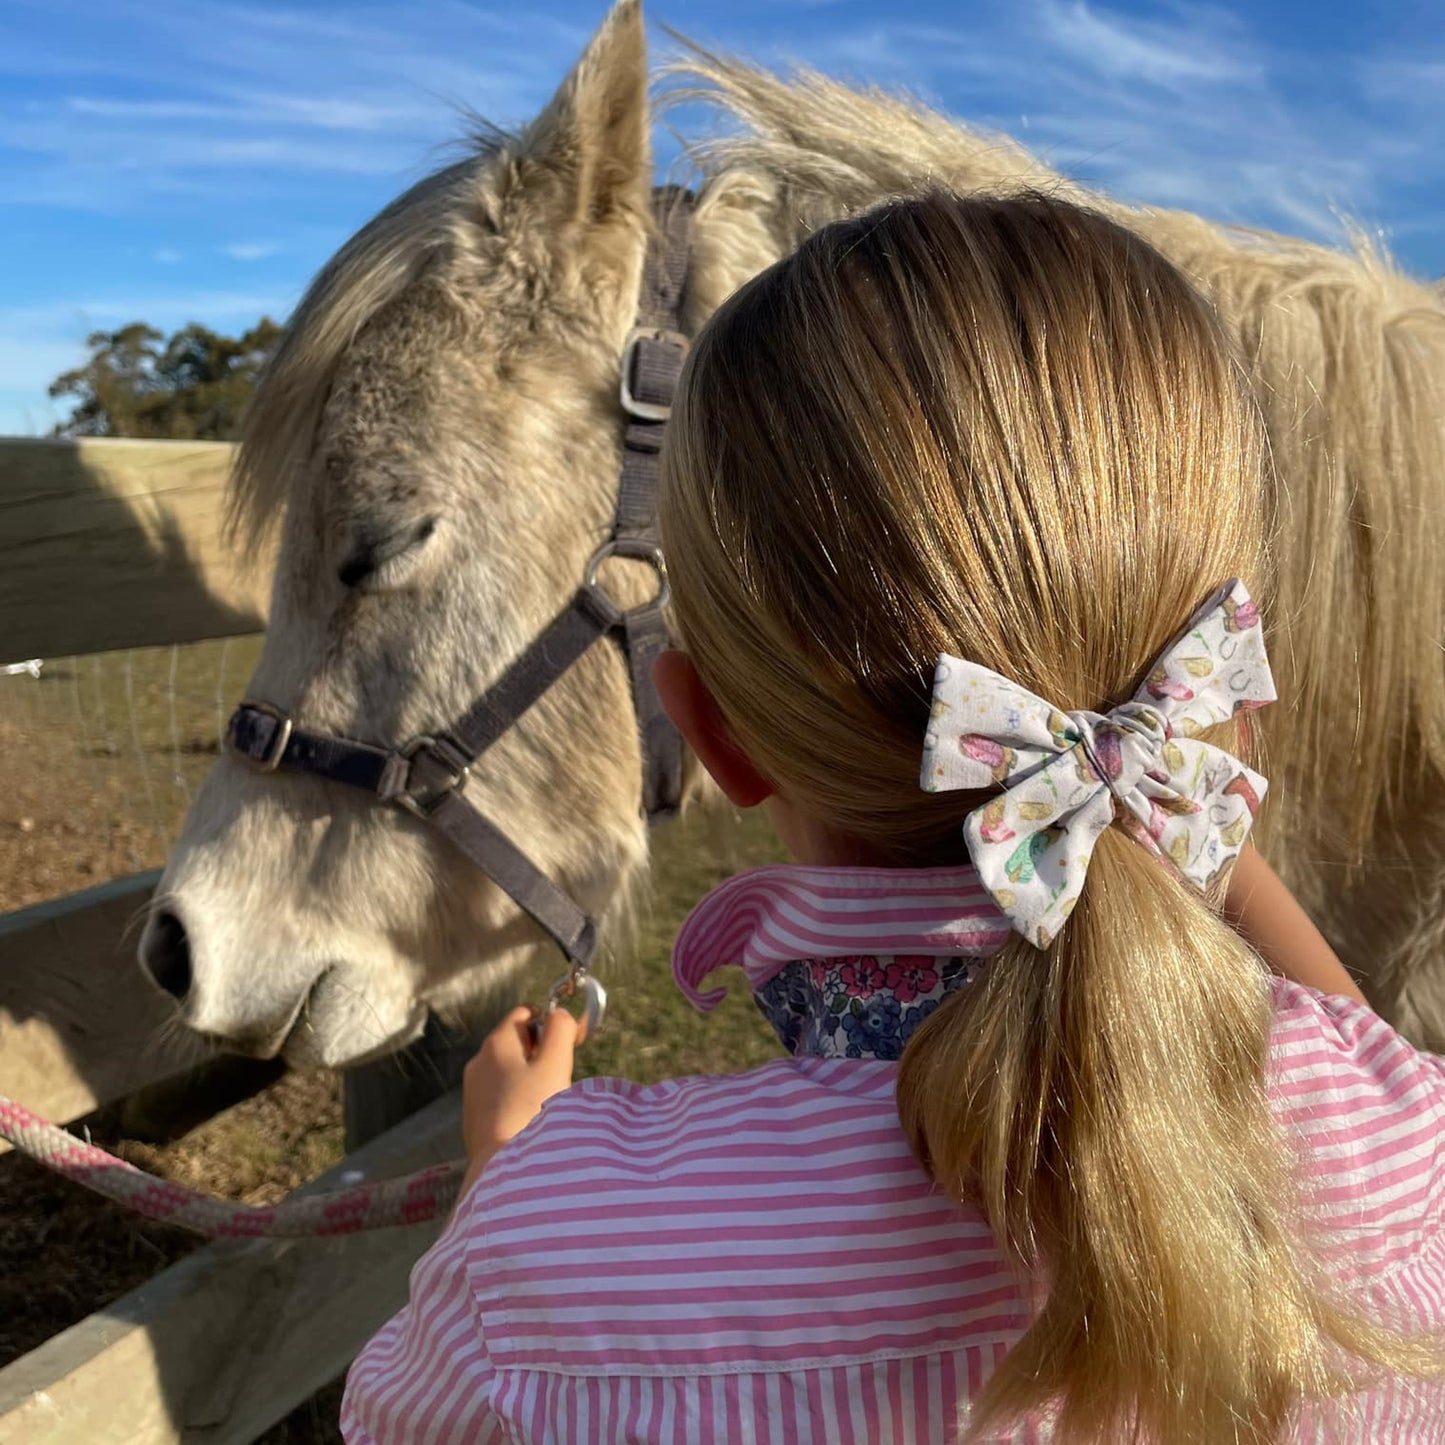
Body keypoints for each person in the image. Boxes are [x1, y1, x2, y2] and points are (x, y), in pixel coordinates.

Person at [341, 192, 1444, 1444]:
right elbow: (1355, 1035)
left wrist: (508, 1176)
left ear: (712, 731)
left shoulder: (557, 1251)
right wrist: (1157, 787)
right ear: (1219, 697)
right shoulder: (1396, 1135)